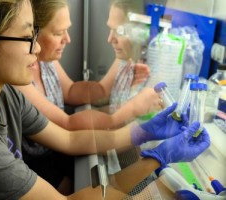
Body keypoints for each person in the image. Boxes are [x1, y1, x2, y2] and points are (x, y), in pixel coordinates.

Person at [0, 0, 210, 200]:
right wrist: (157, 158)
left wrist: (142, 132)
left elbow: (71, 140)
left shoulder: (4, 93)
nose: (36, 48)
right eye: (27, 37)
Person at [15, 0, 158, 193]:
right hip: (37, 168)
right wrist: (130, 110)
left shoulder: (46, 60)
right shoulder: (18, 77)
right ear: (33, 33)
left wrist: (123, 58)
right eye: (58, 33)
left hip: (56, 154)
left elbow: (72, 91)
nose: (68, 39)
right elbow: (68, 124)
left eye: (67, 30)